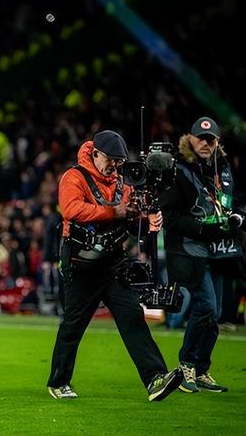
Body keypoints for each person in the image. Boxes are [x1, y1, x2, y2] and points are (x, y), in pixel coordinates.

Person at [47, 130, 181, 401]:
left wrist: (144, 220)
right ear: (95, 153)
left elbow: (129, 224)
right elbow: (71, 210)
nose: (115, 166)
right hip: (80, 264)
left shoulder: (123, 181)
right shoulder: (74, 176)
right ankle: (58, 382)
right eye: (110, 160)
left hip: (113, 263)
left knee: (132, 316)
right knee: (73, 325)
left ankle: (155, 378)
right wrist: (115, 211)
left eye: (119, 162)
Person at [159, 117, 241, 393]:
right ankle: (187, 364)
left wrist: (238, 217)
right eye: (201, 138)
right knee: (206, 306)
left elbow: (233, 202)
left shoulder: (222, 167)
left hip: (218, 251)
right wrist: (204, 230)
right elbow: (169, 216)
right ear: (190, 139)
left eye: (211, 139)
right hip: (189, 249)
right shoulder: (178, 169)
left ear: (217, 142)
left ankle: (201, 368)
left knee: (214, 313)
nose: (206, 143)